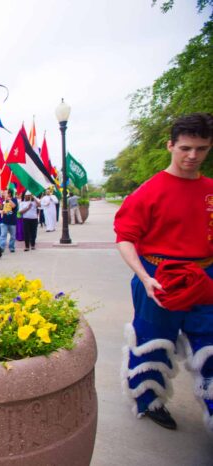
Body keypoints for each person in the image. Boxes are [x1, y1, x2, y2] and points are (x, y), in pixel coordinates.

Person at [114, 112, 213, 432]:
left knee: (210, 344)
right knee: (152, 342)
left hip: (205, 277)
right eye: (185, 148)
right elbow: (125, 239)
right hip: (157, 277)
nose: (193, 156)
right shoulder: (149, 191)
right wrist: (144, 277)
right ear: (171, 145)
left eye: (201, 148)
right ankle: (149, 400)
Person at [0, 188, 18, 253]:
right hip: (4, 221)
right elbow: (0, 209)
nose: (4, 193)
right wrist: (1, 211)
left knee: (12, 236)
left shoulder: (14, 199)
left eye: (5, 192)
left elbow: (13, 206)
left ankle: (11, 247)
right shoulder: (3, 201)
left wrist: (9, 200)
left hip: (12, 221)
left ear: (9, 194)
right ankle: (1, 247)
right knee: (3, 235)